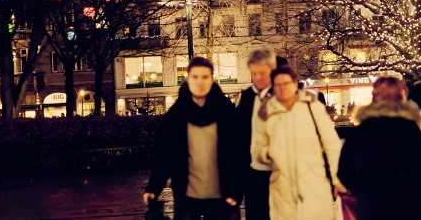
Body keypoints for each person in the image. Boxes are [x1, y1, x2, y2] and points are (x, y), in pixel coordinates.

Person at [339, 77, 421, 220]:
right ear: (401, 97)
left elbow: (345, 173)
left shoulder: (362, 132)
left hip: (371, 208)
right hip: (408, 207)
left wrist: (365, 190)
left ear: (374, 98)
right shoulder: (410, 130)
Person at [143, 56, 240, 220]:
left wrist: (236, 191)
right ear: (187, 78)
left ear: (212, 79)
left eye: (205, 77)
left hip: (222, 196)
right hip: (186, 196)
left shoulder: (227, 113)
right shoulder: (175, 115)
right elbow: (164, 155)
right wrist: (153, 188)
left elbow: (238, 154)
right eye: (195, 77)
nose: (200, 82)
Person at [256, 65, 342, 220]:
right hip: (282, 190)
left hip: (314, 184)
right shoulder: (267, 112)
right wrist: (268, 154)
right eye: (278, 85)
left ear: (295, 84)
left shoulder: (312, 107)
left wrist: (336, 179)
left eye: (286, 83)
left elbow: (332, 144)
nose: (282, 88)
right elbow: (258, 149)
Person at [236, 48, 276, 220]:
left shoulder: (282, 95)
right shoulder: (246, 97)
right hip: (251, 172)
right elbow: (238, 135)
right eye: (254, 73)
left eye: (262, 73)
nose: (258, 78)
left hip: (277, 171)